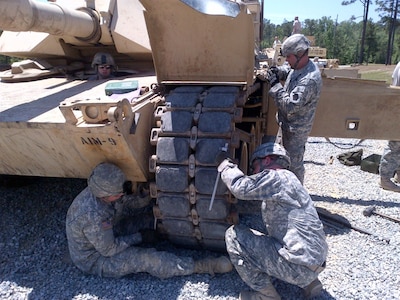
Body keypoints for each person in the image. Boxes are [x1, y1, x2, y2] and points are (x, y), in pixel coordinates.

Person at [65, 162, 232, 278]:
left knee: (147, 219)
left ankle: (177, 237)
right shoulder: (92, 215)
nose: (122, 195)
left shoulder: (104, 190)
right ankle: (200, 266)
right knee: (147, 258)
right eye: (118, 194)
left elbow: (126, 203)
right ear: (106, 195)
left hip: (109, 232)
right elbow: (109, 250)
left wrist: (144, 196)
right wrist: (140, 237)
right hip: (96, 258)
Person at [216, 142, 328, 300]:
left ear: (267, 160)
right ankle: (309, 283)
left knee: (233, 236)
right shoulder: (292, 180)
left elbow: (240, 188)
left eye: (254, 167)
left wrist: (225, 165)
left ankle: (268, 296)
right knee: (266, 231)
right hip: (317, 261)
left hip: (299, 267)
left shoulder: (276, 177)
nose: (254, 173)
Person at [260, 34, 322, 184]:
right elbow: (289, 70)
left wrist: (275, 85)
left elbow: (290, 105)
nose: (287, 60)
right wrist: (277, 71)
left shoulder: (309, 79)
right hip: (287, 125)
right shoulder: (300, 67)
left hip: (296, 130)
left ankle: (297, 198)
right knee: (282, 160)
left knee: (293, 166)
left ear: (300, 54)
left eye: (289, 57)